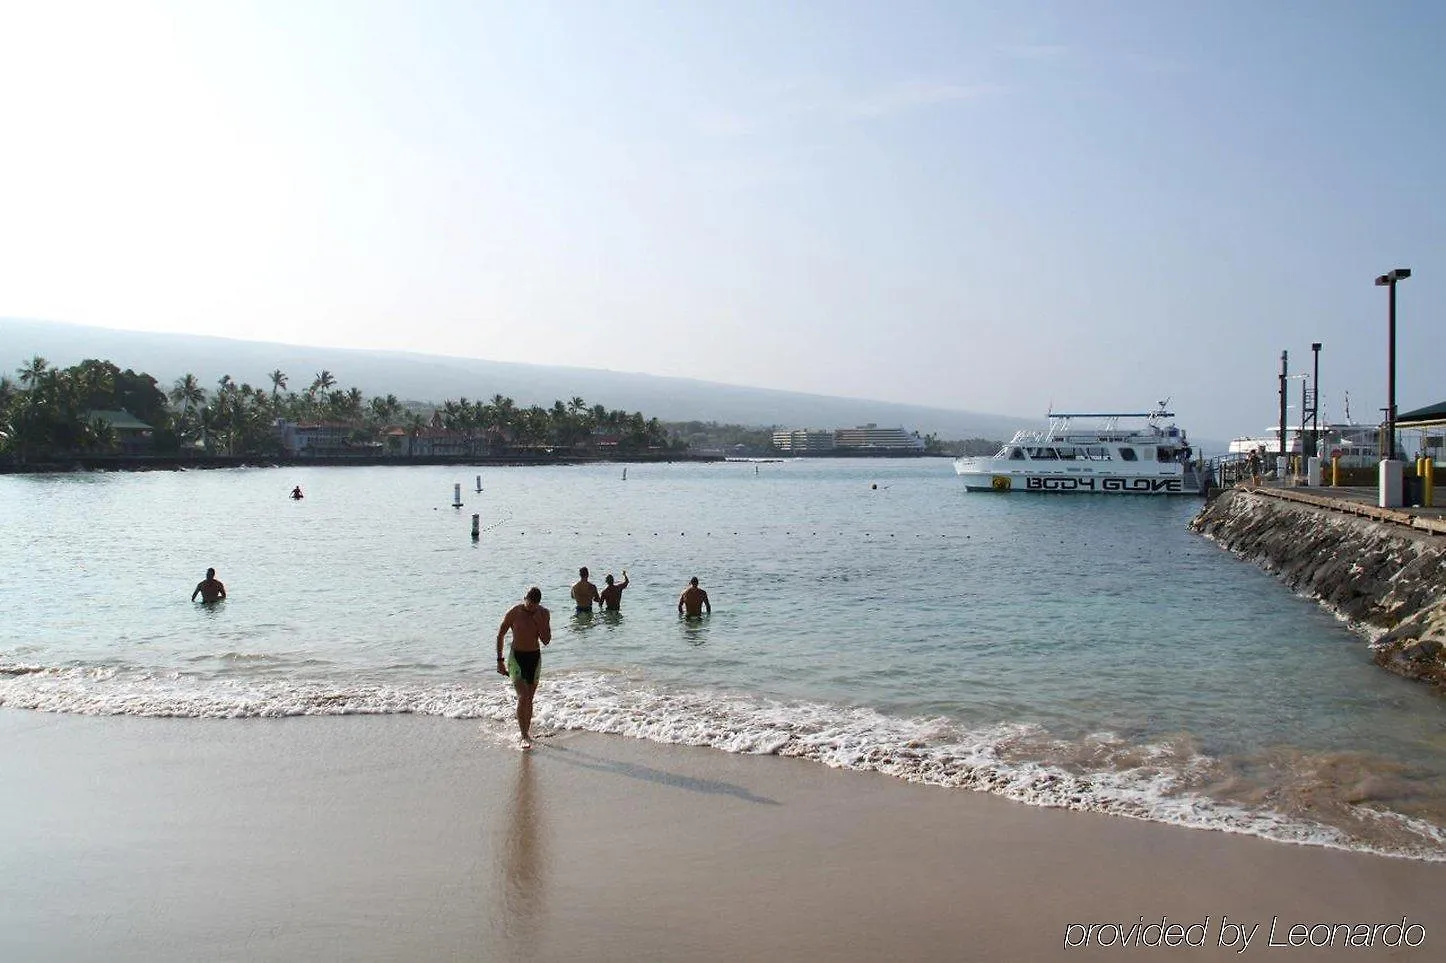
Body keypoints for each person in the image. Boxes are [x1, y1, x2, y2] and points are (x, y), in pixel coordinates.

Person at [496, 587, 552, 747]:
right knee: (523, 696)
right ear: (525, 598)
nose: (530, 607)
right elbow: (500, 634)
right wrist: (500, 660)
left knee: (530, 698)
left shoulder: (544, 613)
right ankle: (523, 736)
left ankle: (527, 732)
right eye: (528, 603)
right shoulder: (514, 612)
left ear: (538, 603)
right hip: (517, 658)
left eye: (534, 605)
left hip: (534, 658)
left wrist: (539, 622)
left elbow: (546, 640)